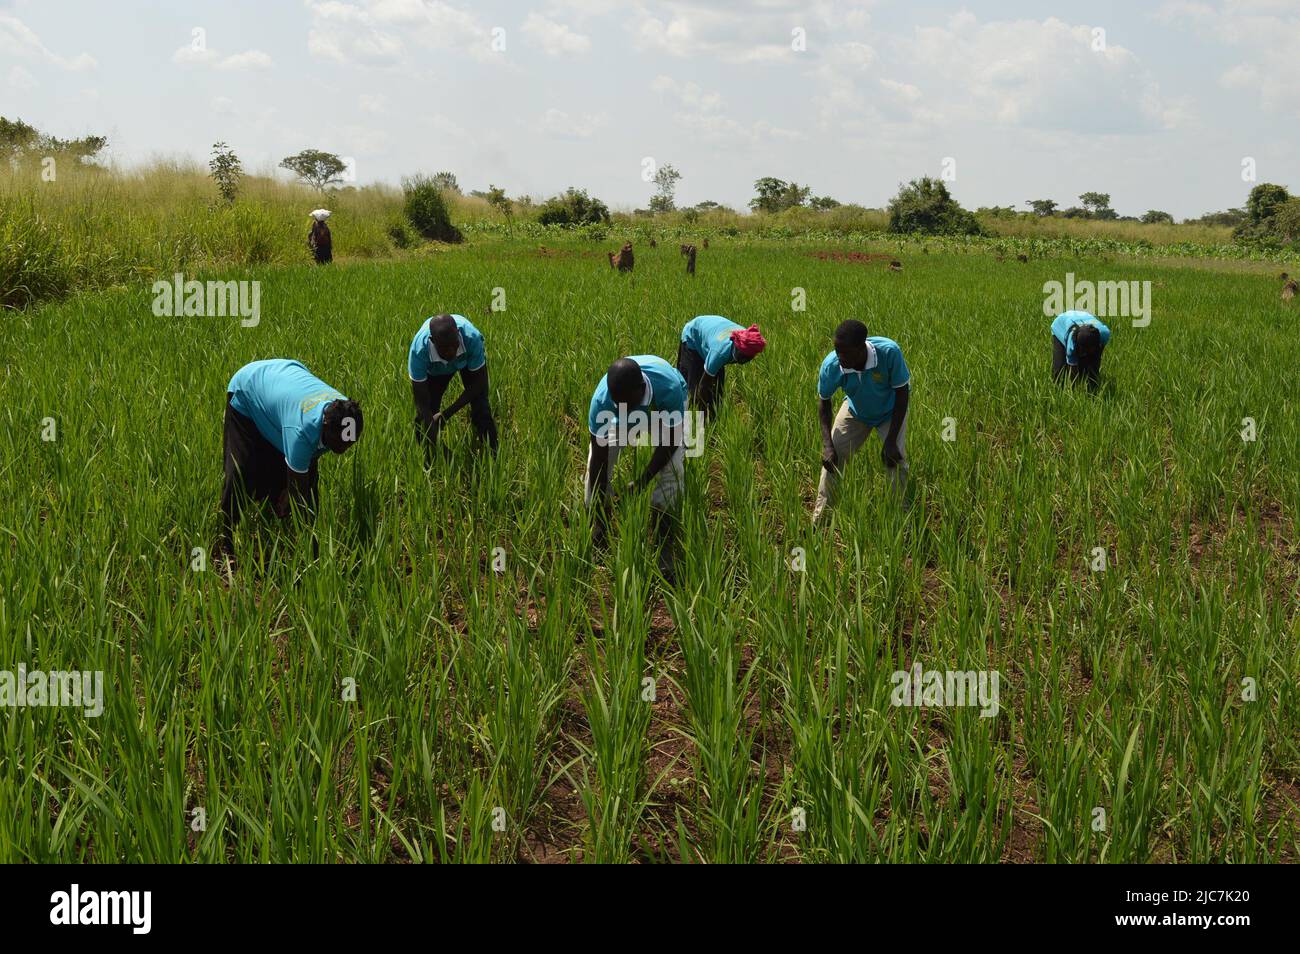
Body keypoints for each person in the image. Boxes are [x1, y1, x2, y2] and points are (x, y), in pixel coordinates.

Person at [217, 358, 362, 560]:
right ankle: (225, 539)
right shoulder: (302, 431)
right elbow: (300, 497)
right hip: (247, 389)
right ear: (324, 427)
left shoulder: (347, 413)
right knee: (241, 473)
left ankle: (273, 516)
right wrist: (313, 551)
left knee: (285, 475)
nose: (345, 448)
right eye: (340, 443)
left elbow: (309, 468)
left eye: (350, 443)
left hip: (282, 384)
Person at [585, 355, 687, 582]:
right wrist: (601, 509)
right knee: (592, 474)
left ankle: (665, 544)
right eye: (617, 403)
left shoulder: (669, 388)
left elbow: (670, 441)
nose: (622, 407)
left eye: (626, 404)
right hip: (621, 417)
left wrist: (643, 480)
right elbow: (599, 461)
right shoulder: (603, 402)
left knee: (672, 470)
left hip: (659, 410)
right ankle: (599, 532)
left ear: (640, 389)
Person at [813, 320, 910, 523]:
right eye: (836, 350)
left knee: (895, 461)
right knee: (833, 460)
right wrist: (827, 444)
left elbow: (902, 393)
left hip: (890, 412)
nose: (839, 357)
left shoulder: (888, 353)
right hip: (856, 411)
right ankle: (820, 520)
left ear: (860, 348)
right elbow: (824, 402)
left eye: (845, 352)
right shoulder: (832, 365)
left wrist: (891, 440)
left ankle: (900, 521)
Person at [409, 313, 498, 458]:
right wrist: (441, 450)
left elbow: (479, 384)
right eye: (444, 348)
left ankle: (492, 456)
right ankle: (428, 459)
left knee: (481, 408)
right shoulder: (419, 351)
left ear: (457, 334)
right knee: (424, 419)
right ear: (432, 341)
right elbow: (421, 404)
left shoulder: (471, 338)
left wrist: (446, 414)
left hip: (466, 362)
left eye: (453, 345)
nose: (451, 352)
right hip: (436, 370)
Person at [676, 315, 766, 418]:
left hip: (712, 334)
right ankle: (693, 420)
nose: (743, 360)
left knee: (716, 392)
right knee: (694, 389)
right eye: (742, 356)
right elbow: (703, 386)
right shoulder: (720, 353)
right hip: (693, 336)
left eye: (748, 358)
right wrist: (704, 413)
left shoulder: (748, 338)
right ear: (736, 347)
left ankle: (714, 418)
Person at [1050, 310, 1110, 390]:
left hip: (1083, 316)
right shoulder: (1072, 340)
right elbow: (1072, 366)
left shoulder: (1104, 334)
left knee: (1092, 366)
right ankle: (1057, 390)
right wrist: (1074, 388)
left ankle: (1093, 391)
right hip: (1060, 324)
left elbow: (1097, 357)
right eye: (1083, 350)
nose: (1084, 353)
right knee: (1059, 368)